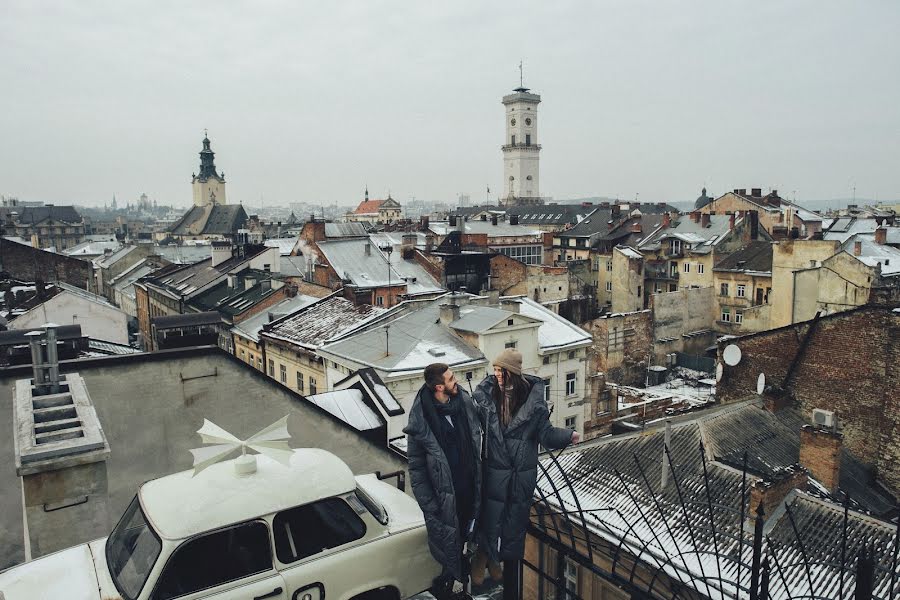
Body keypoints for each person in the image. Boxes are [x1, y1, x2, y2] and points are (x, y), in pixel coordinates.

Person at [471, 348, 579, 585]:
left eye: (501, 371)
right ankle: (483, 556)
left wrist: (568, 435)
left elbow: (546, 434)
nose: (497, 375)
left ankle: (498, 560)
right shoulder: (485, 396)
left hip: (521, 473)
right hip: (495, 469)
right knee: (490, 516)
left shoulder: (534, 404)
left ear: (512, 373)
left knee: (512, 521)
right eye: (496, 370)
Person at [405, 362, 484, 599]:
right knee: (449, 547)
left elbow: (487, 420)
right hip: (444, 499)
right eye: (451, 379)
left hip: (471, 491)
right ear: (439, 387)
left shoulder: (464, 403)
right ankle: (451, 586)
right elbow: (416, 466)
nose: (455, 380)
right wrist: (429, 504)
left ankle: (462, 581)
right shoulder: (421, 418)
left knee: (470, 539)